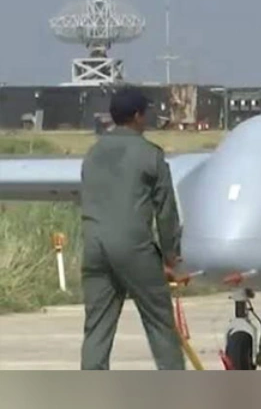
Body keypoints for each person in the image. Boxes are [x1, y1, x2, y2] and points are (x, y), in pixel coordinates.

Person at [79, 88, 186, 370]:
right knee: (159, 322)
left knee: (97, 327)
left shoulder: (93, 153)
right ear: (138, 115)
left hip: (94, 246)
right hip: (133, 249)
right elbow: (165, 211)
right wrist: (171, 256)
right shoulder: (150, 155)